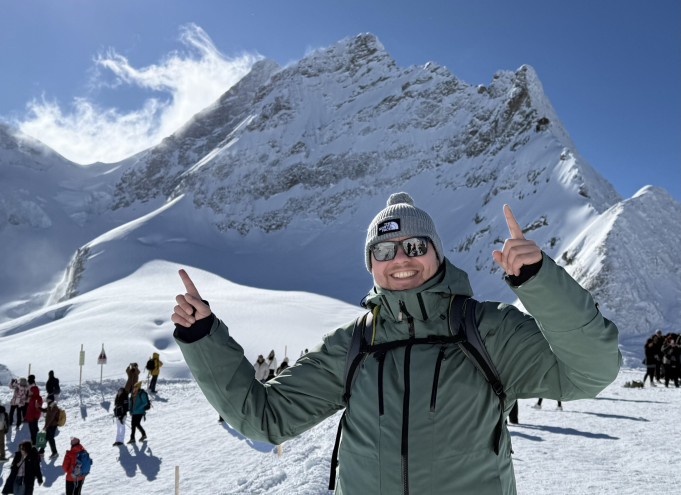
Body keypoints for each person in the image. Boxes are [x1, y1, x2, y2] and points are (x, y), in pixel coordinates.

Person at [172, 194, 622, 494]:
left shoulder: (487, 329)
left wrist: (538, 281)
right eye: (383, 251)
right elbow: (264, 419)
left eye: (413, 245)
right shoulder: (354, 343)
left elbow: (592, 370)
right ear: (371, 265)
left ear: (437, 253)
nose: (400, 260)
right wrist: (202, 337)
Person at [23, 379, 43, 446]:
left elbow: (38, 409)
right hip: (30, 417)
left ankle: (40, 442)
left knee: (35, 430)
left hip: (34, 417)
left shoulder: (38, 398)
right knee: (31, 430)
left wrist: (35, 417)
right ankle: (33, 441)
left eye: (31, 392)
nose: (30, 393)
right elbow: (29, 409)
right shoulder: (32, 398)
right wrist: (26, 417)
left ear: (34, 392)